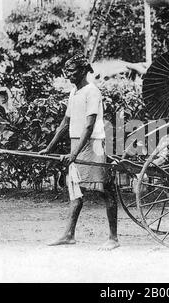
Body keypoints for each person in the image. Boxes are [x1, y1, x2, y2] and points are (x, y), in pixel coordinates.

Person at [39, 52, 119, 250]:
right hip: (77, 143)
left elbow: (89, 126)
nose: (68, 74)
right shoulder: (74, 92)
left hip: (93, 143)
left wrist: (74, 154)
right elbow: (65, 123)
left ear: (83, 71)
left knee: (105, 189)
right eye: (66, 70)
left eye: (72, 70)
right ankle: (69, 234)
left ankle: (113, 238)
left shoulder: (92, 92)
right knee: (75, 190)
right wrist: (48, 148)